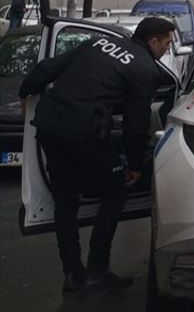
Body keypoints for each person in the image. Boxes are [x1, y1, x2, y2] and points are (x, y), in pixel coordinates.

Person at [19, 16, 177, 293]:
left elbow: (49, 67)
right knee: (115, 190)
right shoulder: (146, 70)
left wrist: (25, 93)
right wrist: (136, 163)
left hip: (50, 125)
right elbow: (135, 122)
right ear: (152, 41)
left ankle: (72, 274)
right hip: (85, 133)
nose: (168, 47)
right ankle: (97, 270)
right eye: (166, 42)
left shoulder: (99, 42)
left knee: (65, 201)